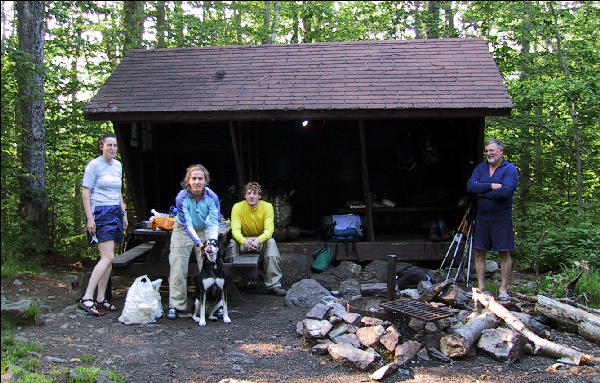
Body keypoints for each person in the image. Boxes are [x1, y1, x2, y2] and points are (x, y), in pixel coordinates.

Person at [80, 133, 128, 316]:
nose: (113, 149)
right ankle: (87, 297)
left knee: (111, 258)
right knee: (107, 257)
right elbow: (85, 193)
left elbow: (118, 192)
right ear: (101, 146)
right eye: (109, 145)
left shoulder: (118, 166)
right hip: (100, 212)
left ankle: (101, 298)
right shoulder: (94, 165)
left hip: (115, 211)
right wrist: (90, 218)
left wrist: (123, 213)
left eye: (115, 145)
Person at [467, 139, 519, 301]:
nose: (489, 153)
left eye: (492, 150)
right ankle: (481, 287)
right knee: (479, 251)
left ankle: (503, 289)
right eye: (487, 151)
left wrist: (481, 192)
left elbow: (506, 192)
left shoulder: (510, 169)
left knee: (504, 251)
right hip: (482, 216)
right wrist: (491, 186)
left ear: (501, 151)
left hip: (501, 217)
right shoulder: (481, 168)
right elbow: (470, 187)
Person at [167, 164, 220, 320]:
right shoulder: (181, 197)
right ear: (188, 181)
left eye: (200, 179)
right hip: (183, 230)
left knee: (209, 265)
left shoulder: (212, 197)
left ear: (205, 181)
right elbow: (187, 224)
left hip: (204, 229)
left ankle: (213, 305)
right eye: (194, 178)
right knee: (178, 265)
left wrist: (211, 243)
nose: (197, 182)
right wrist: (199, 243)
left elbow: (213, 222)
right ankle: (176, 305)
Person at [226, 182, 287, 296]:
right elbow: (235, 231)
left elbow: (269, 231)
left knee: (272, 243)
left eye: (255, 193)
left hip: (260, 240)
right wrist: (245, 241)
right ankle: (235, 282)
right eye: (249, 193)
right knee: (231, 244)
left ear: (260, 196)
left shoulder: (267, 207)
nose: (252, 196)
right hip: (243, 240)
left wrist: (258, 240)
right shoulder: (237, 207)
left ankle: (274, 284)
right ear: (245, 196)